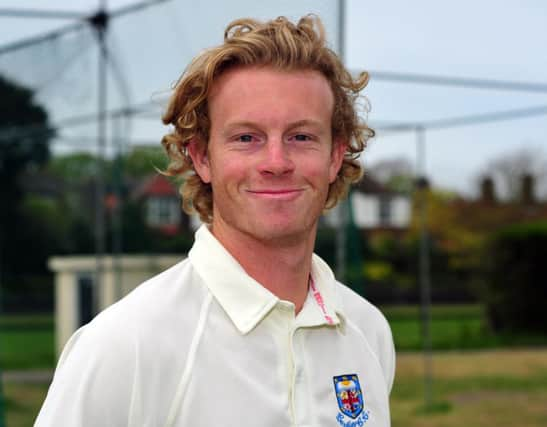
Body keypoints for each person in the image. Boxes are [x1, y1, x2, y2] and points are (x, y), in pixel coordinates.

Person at [35, 15, 395, 427]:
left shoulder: (368, 332)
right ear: (202, 157)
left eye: (301, 137)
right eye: (246, 138)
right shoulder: (125, 344)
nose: (276, 162)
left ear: (335, 156)